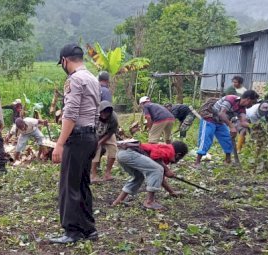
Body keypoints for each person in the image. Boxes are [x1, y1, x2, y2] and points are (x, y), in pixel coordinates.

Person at [49, 43, 100, 244]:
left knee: (69, 185)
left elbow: (70, 113)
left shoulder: (75, 80)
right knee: (82, 183)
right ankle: (89, 229)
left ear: (64, 61)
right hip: (91, 136)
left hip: (77, 138)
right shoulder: (93, 78)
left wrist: (60, 144)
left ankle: (73, 231)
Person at [112, 141, 188, 211]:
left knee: (139, 176)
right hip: (130, 154)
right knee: (157, 169)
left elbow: (160, 177)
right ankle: (149, 202)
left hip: (122, 154)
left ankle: (118, 201)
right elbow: (156, 158)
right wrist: (167, 170)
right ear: (178, 154)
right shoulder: (169, 150)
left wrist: (172, 192)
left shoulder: (163, 150)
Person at [195, 91, 259, 166]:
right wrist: (231, 126)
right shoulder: (231, 99)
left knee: (227, 138)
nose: (252, 105)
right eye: (252, 102)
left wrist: (256, 127)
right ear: (248, 99)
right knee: (206, 139)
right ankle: (197, 162)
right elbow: (221, 113)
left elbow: (243, 122)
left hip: (220, 122)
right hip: (209, 119)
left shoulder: (242, 109)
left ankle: (227, 160)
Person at [90, 101, 119, 182]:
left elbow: (110, 133)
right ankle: (93, 175)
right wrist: (96, 142)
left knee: (113, 149)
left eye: (107, 113)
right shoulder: (93, 114)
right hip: (94, 133)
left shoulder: (114, 118)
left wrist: (100, 142)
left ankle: (107, 174)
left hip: (107, 134)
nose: (104, 115)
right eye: (102, 112)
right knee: (96, 151)